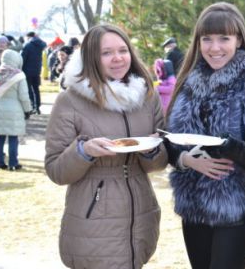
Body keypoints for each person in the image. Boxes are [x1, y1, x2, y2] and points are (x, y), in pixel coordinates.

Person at [45, 24, 168, 269]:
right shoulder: (70, 100)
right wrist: (84, 152)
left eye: (123, 50)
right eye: (107, 53)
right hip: (93, 220)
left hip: (141, 215)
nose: (118, 58)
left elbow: (160, 162)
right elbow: (56, 170)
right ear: (91, 58)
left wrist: (152, 150)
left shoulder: (146, 96)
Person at [166, 2, 245, 269]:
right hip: (192, 209)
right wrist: (188, 161)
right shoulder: (187, 82)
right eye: (207, 39)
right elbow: (170, 143)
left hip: (235, 209)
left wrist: (228, 146)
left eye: (224, 38)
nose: (215, 48)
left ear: (238, 40)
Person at [0, 49, 32, 170]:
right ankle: (13, 163)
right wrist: (27, 110)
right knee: (13, 137)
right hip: (15, 109)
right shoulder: (19, 75)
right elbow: (24, 96)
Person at [21, 31, 47, 115]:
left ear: (28, 37)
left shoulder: (27, 45)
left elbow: (22, 58)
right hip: (37, 71)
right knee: (36, 89)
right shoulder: (40, 45)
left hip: (27, 71)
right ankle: (37, 107)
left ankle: (32, 106)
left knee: (29, 90)